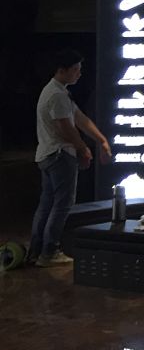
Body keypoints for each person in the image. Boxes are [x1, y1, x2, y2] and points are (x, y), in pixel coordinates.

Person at [29, 49, 112, 266]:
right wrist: (83, 148)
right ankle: (49, 251)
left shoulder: (58, 92)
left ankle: (36, 252)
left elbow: (80, 118)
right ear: (61, 70)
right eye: (75, 69)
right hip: (60, 155)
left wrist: (101, 140)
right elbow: (65, 127)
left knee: (47, 204)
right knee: (62, 205)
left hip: (48, 154)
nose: (79, 74)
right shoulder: (56, 95)